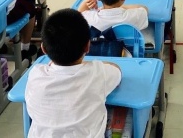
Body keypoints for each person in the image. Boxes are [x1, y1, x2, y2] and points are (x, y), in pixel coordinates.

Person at [25, 8, 121, 138]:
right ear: (88, 46)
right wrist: (91, 64)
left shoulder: (35, 74)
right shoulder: (98, 73)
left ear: (43, 49)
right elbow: (117, 70)